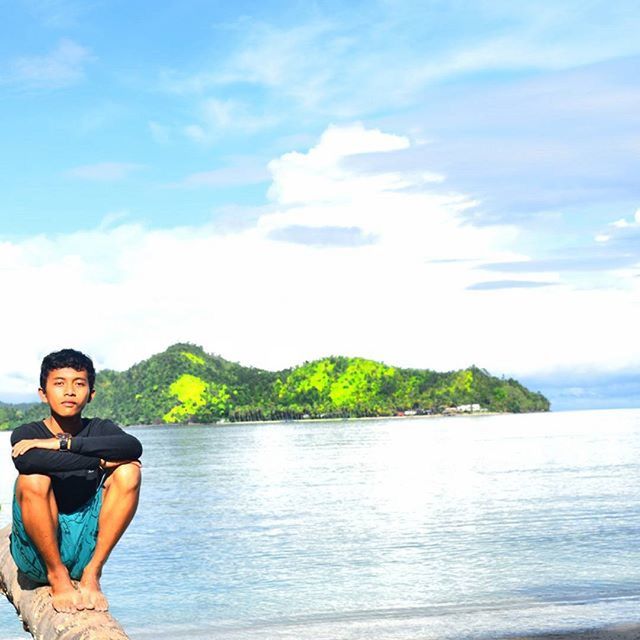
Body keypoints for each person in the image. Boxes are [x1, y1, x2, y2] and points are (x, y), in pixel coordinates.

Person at [9, 348, 142, 614]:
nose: (69, 391)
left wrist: (62, 444)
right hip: (38, 555)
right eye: (59, 384)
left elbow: (132, 447)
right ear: (43, 393)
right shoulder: (28, 433)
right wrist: (99, 462)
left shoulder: (100, 429)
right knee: (32, 479)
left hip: (86, 551)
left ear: (90, 395)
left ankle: (93, 574)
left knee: (129, 471)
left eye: (79, 384)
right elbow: (28, 462)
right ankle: (58, 576)